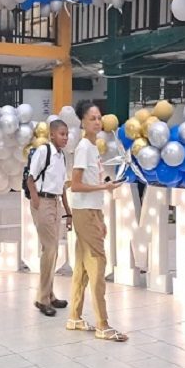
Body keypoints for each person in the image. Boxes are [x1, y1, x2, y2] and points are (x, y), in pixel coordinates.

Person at [67, 101, 128, 342]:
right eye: (92, 118)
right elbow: (76, 184)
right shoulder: (83, 147)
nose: (97, 121)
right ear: (82, 121)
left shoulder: (92, 147)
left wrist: (105, 187)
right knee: (98, 265)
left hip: (91, 209)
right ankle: (103, 323)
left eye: (99, 117)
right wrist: (104, 186)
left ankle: (74, 315)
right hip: (85, 211)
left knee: (82, 267)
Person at [27, 119, 72, 317]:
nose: (65, 138)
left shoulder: (62, 157)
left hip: (55, 203)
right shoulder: (43, 151)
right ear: (52, 134)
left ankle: (50, 294)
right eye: (62, 134)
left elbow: (62, 187)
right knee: (50, 249)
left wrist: (68, 212)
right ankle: (42, 298)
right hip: (43, 201)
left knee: (52, 251)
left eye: (67, 134)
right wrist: (36, 200)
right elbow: (30, 177)